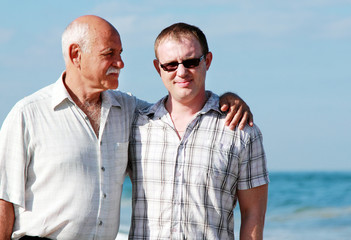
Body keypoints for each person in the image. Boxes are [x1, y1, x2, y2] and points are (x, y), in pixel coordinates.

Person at [0, 16, 253, 240]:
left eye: (121, 53)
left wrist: (227, 99)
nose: (120, 63)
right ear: (76, 54)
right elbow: (4, 200)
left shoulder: (131, 111)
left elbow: (180, 105)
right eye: (109, 53)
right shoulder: (28, 114)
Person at [128, 23, 269, 240]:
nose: (182, 72)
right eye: (171, 65)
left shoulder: (241, 130)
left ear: (208, 61)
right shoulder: (135, 127)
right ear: (158, 68)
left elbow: (253, 216)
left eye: (191, 61)